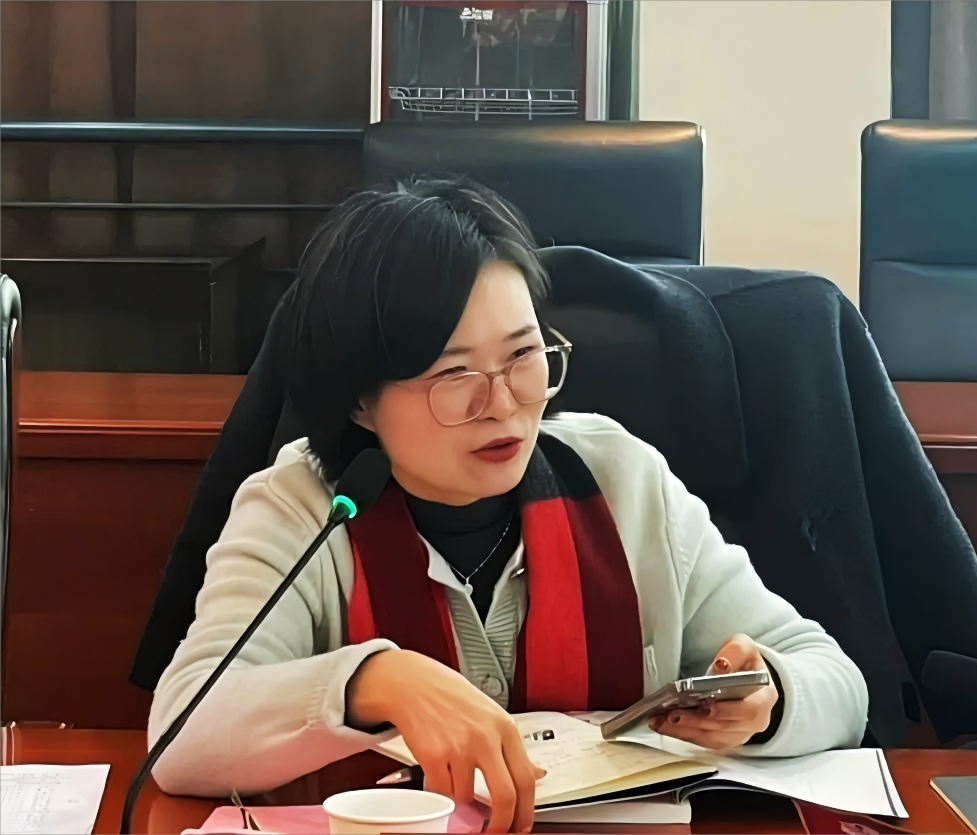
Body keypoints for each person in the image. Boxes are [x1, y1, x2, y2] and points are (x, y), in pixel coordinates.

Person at [149, 178, 868, 834]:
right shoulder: (304, 508)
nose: (504, 404)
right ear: (360, 401)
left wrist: (768, 699)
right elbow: (180, 736)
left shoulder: (623, 480)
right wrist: (372, 681)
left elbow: (837, 681)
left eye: (524, 356)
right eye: (454, 374)